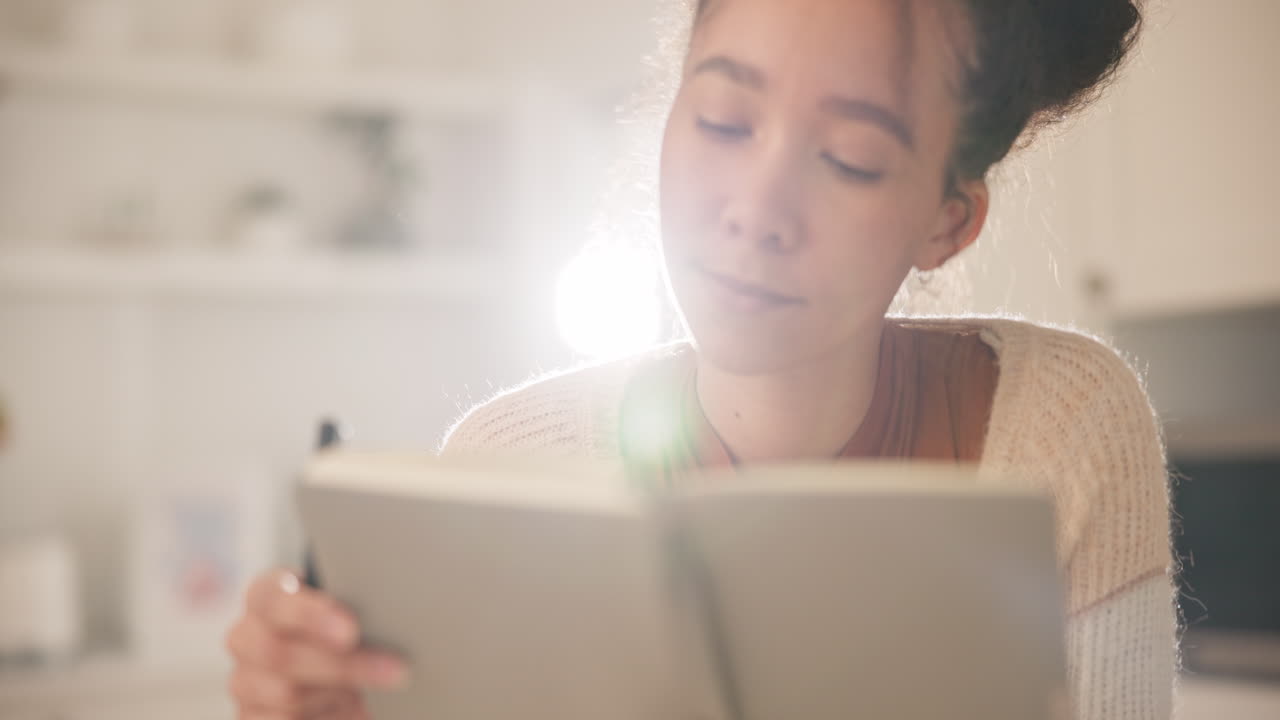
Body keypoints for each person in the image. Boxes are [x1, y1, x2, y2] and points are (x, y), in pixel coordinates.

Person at [225, 0, 1176, 717]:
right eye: (723, 120)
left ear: (945, 220)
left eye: (847, 157)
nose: (754, 210)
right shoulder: (507, 457)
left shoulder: (1059, 430)